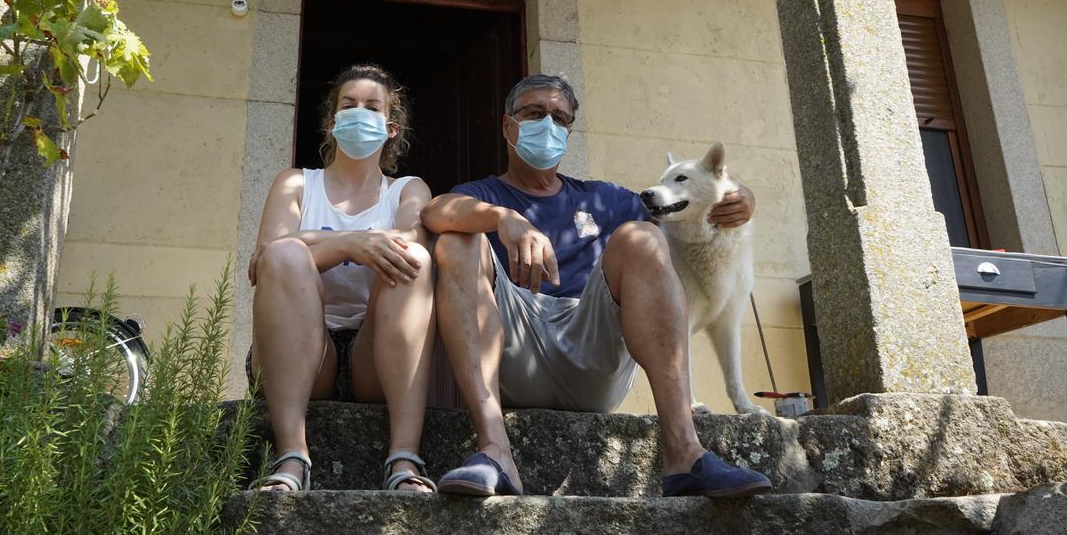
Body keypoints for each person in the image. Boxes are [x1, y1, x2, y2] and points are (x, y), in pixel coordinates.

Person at [422, 73, 773, 498]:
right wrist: (501, 218)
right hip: (512, 348)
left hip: (590, 348)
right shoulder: (480, 193)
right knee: (458, 240)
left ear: (569, 130)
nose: (547, 125)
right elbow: (437, 211)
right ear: (507, 126)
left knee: (644, 237)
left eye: (559, 118)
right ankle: (495, 450)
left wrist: (742, 195)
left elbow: (686, 201)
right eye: (534, 113)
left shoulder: (605, 199)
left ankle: (685, 453)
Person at [247, 64, 437, 493]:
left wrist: (315, 240)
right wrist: (352, 245)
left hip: (374, 356)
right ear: (332, 122)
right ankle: (292, 458)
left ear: (391, 128)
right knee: (285, 256)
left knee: (415, 259)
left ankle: (404, 459)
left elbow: (413, 237)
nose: (359, 113)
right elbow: (268, 261)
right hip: (302, 355)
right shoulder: (295, 184)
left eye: (372, 107)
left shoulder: (407, 189)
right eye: (348, 105)